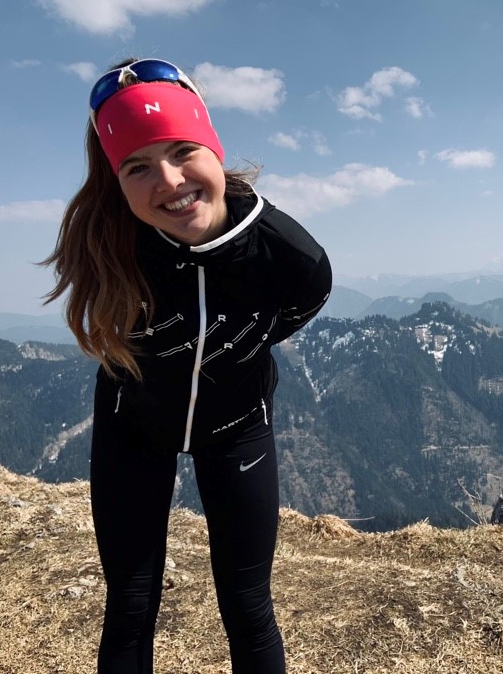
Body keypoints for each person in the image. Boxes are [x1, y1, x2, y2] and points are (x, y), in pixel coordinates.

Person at [43, 57, 331, 674]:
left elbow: (295, 312)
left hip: (238, 426)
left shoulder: (293, 256)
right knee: (129, 606)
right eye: (138, 167)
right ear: (117, 181)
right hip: (131, 425)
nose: (169, 181)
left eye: (182, 151)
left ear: (214, 149)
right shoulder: (110, 240)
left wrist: (230, 351)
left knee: (249, 608)